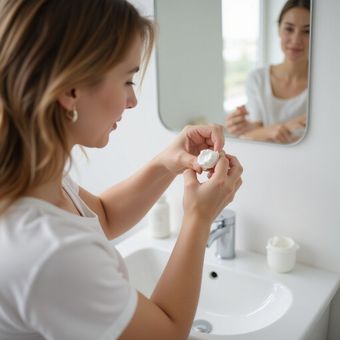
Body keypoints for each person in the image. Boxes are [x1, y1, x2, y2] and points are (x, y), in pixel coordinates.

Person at [0, 1, 243, 339]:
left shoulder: (31, 175)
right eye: (128, 80)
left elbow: (102, 216)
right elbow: (167, 334)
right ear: (71, 90)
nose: (133, 101)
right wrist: (199, 218)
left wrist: (167, 162)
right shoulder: (49, 252)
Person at [225, 0, 310, 144]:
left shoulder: (324, 84)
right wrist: (285, 127)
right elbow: (250, 137)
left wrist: (261, 132)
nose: (296, 40)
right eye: (289, 29)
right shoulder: (258, 78)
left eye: (306, 31)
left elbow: (254, 134)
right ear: (278, 29)